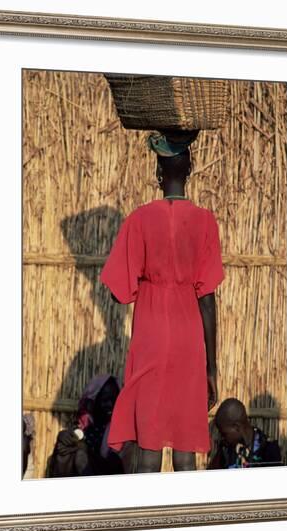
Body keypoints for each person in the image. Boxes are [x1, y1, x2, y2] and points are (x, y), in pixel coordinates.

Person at [99, 129, 225, 473]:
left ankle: (146, 521)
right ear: (190, 168)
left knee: (148, 448)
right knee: (185, 451)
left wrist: (147, 280)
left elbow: (117, 291)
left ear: (158, 173)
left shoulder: (138, 220)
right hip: (188, 339)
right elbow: (208, 299)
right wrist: (211, 367)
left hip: (151, 335)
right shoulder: (204, 222)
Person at [45, 374, 137, 477]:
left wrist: (85, 452)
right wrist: (65, 440)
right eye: (105, 400)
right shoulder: (84, 424)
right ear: (93, 400)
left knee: (80, 455)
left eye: (114, 400)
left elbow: (115, 467)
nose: (110, 405)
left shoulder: (121, 431)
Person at [207, 398, 283, 469]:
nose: (222, 437)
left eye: (224, 434)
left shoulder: (269, 449)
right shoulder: (226, 448)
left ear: (237, 427)